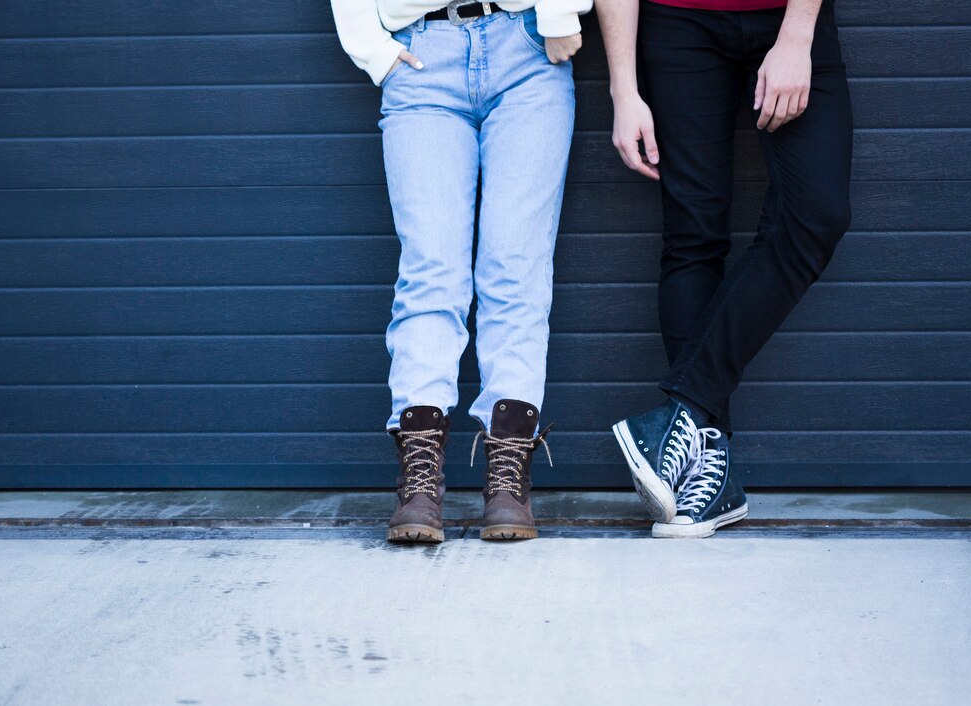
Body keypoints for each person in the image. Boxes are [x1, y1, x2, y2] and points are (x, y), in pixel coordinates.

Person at [329, 0, 591, 543]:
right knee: (431, 266)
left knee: (516, 265)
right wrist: (372, 48)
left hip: (527, 50)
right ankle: (420, 479)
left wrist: (562, 14)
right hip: (423, 56)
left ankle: (507, 477)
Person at [596, 0, 853, 537]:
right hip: (677, 21)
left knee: (815, 215)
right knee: (694, 235)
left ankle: (678, 416)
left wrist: (796, 35)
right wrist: (624, 88)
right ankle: (711, 481)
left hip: (788, 18)